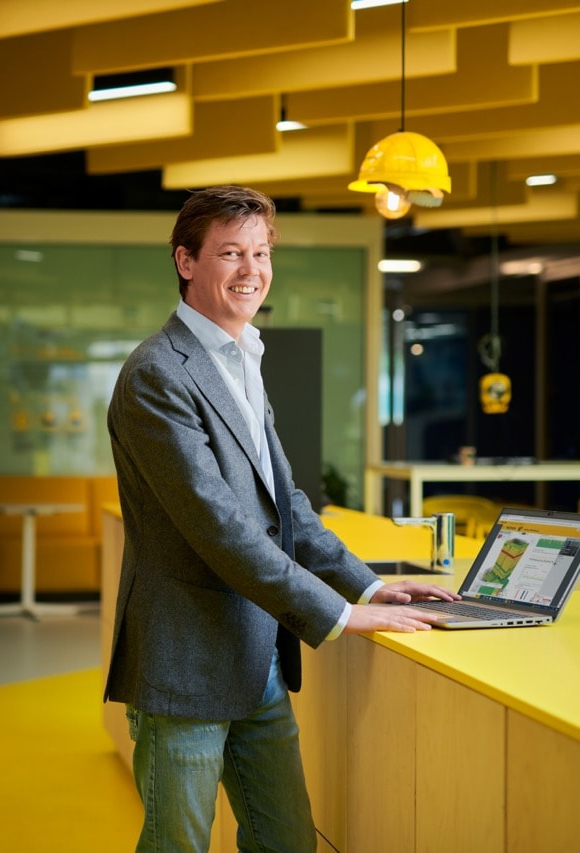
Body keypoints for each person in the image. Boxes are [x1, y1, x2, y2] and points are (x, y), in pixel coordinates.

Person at [104, 185, 461, 852]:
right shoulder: (158, 373)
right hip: (185, 660)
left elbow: (283, 502)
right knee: (178, 844)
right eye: (231, 253)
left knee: (286, 840)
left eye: (262, 252)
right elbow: (218, 526)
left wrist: (368, 585)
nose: (252, 270)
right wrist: (337, 613)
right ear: (186, 261)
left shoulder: (242, 358)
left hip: (256, 653)